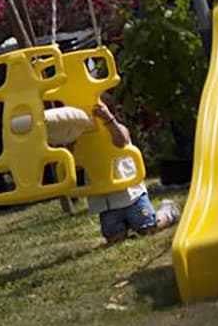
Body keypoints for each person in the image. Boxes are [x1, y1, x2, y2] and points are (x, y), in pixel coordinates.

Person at [74, 98, 180, 245]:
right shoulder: (82, 138)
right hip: (107, 203)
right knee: (114, 238)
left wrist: (107, 118)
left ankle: (168, 211)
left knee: (148, 227)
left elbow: (121, 140)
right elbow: (75, 158)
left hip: (131, 195)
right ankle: (123, 227)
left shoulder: (118, 129)